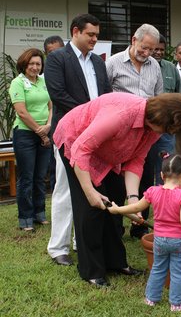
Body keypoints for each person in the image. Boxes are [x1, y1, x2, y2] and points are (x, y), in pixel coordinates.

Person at [53, 92, 181, 287]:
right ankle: (91, 270)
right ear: (159, 117)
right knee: (91, 207)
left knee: (116, 196)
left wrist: (133, 201)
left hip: (105, 150)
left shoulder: (153, 129)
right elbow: (81, 149)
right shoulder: (120, 115)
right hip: (75, 140)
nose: (166, 133)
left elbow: (136, 160)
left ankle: (115, 262)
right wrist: (90, 191)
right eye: (167, 128)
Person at [45, 14, 111, 266]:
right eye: (91, 34)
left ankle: (79, 240)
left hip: (96, 133)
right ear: (76, 31)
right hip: (69, 134)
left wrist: (101, 120)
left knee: (90, 188)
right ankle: (58, 247)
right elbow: (58, 94)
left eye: (97, 35)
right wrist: (90, 117)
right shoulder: (57, 58)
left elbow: (105, 95)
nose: (95, 39)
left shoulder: (97, 62)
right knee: (64, 188)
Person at [107, 154, 181, 312]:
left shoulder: (153, 191)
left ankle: (151, 298)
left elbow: (136, 208)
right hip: (179, 241)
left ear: (161, 175)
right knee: (178, 271)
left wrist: (117, 209)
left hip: (159, 240)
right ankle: (177, 303)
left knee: (158, 268)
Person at [106, 23, 163, 239]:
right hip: (120, 134)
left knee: (146, 177)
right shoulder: (113, 63)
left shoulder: (154, 66)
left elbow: (157, 97)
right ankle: (116, 225)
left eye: (152, 50)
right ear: (133, 40)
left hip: (146, 133)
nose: (147, 53)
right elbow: (104, 95)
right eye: (144, 48)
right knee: (118, 181)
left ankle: (140, 226)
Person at [9, 48, 52, 231]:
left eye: (38, 64)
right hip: (25, 134)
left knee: (40, 177)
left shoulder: (44, 81)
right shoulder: (17, 83)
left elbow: (52, 106)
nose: (35, 67)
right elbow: (21, 112)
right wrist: (41, 132)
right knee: (26, 177)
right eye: (31, 64)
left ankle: (39, 213)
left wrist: (49, 125)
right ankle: (25, 217)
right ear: (24, 65)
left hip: (45, 132)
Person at [151, 34, 181, 185]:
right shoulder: (145, 67)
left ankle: (163, 197)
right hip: (147, 126)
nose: (158, 52)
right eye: (155, 49)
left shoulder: (171, 68)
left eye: (161, 49)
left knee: (166, 164)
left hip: (166, 130)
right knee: (143, 166)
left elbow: (180, 96)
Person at [43, 35, 65, 192]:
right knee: (55, 170)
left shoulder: (70, 72)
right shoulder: (41, 77)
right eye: (51, 53)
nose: (55, 56)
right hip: (49, 130)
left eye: (58, 51)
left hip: (69, 127)